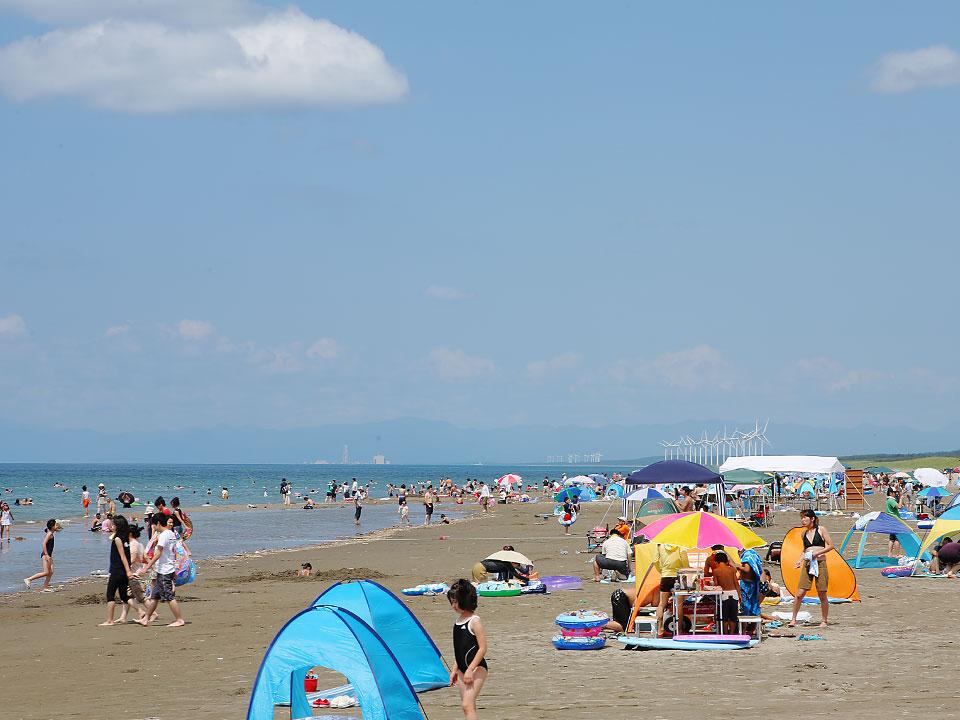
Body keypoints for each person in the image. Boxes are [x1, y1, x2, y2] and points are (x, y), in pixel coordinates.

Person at [447, 579, 488, 720]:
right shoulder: (457, 622)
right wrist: (454, 670)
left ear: (465, 600)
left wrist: (471, 669)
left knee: (467, 705)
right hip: (461, 670)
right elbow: (459, 650)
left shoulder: (474, 621)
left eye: (456, 601)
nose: (453, 605)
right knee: (469, 707)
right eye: (451, 602)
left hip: (477, 668)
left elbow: (482, 648)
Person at [136, 514, 185, 627]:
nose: (153, 526)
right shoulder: (171, 533)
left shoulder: (163, 535)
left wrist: (146, 568)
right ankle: (146, 619)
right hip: (166, 569)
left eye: (153, 524)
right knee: (155, 596)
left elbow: (158, 554)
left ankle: (179, 619)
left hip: (165, 571)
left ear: (158, 523)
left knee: (169, 597)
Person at [789, 509, 833, 629]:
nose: (803, 520)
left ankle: (824, 620)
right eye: (802, 518)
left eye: (805, 518)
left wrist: (817, 553)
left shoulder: (821, 529)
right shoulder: (803, 534)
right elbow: (805, 550)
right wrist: (799, 560)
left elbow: (831, 545)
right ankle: (793, 619)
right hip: (808, 564)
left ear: (812, 519)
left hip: (820, 563)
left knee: (822, 593)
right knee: (799, 594)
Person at [100, 515, 139, 626]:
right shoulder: (125, 538)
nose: (111, 526)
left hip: (117, 570)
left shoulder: (117, 539)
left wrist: (128, 571)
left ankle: (109, 620)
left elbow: (122, 556)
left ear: (118, 526)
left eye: (113, 524)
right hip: (122, 571)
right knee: (124, 596)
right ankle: (141, 612)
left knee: (110, 595)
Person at [654, 543, 684, 638]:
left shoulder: (660, 545)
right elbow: (685, 560)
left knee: (662, 603)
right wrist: (686, 570)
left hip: (665, 576)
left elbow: (655, 560)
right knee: (679, 605)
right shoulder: (680, 545)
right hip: (678, 576)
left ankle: (660, 630)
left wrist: (662, 571)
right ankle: (679, 630)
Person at [24, 519, 61, 592]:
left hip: (49, 555)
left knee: (51, 572)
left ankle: (45, 587)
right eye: (56, 525)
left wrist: (57, 527)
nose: (57, 526)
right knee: (46, 572)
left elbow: (55, 529)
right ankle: (29, 579)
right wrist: (47, 555)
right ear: (52, 526)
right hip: (45, 555)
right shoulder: (49, 534)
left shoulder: (50, 532)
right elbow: (43, 543)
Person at [711, 551, 740, 634]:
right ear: (726, 561)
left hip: (724, 595)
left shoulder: (716, 571)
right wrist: (739, 595)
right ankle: (731, 634)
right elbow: (736, 583)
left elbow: (716, 585)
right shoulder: (732, 570)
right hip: (734, 594)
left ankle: (725, 634)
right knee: (733, 617)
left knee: (724, 617)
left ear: (716, 561)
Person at [125, 525, 148, 622]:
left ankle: (152, 613)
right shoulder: (139, 544)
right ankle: (140, 614)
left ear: (129, 533)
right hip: (136, 572)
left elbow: (133, 558)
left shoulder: (133, 544)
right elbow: (144, 558)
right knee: (128, 596)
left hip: (134, 574)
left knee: (141, 597)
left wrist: (124, 567)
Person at [885, 490, 902, 556]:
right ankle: (897, 554)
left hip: (891, 520)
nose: (896, 493)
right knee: (897, 538)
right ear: (891, 493)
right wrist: (901, 499)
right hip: (895, 521)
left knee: (892, 538)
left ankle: (889, 553)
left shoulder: (888, 500)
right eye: (894, 492)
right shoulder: (891, 500)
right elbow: (899, 506)